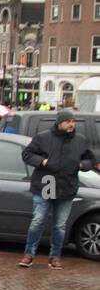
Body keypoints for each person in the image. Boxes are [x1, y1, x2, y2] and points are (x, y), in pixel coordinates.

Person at [19, 108, 96, 269]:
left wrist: (82, 165)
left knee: (59, 225)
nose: (71, 124)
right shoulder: (43, 137)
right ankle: (29, 254)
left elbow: (90, 159)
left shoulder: (80, 140)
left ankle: (55, 257)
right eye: (68, 121)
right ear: (59, 122)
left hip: (67, 187)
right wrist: (44, 162)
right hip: (46, 184)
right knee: (38, 221)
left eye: (73, 121)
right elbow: (27, 154)